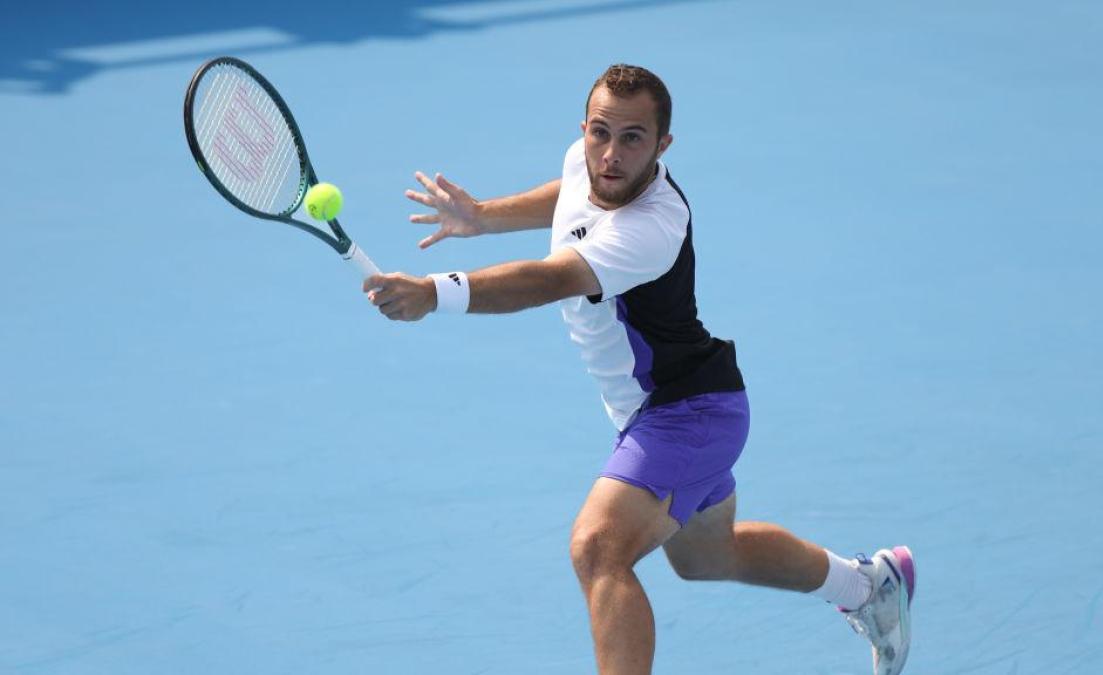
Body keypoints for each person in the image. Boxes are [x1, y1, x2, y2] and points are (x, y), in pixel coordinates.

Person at [362, 64, 916, 675]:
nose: (611, 154)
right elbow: (570, 193)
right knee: (707, 558)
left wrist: (434, 292)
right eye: (600, 133)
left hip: (688, 413)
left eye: (633, 139)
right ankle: (869, 586)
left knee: (598, 549)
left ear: (662, 145)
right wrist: (485, 215)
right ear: (584, 128)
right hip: (669, 408)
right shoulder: (590, 161)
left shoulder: (653, 226)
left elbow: (550, 279)